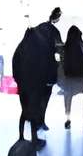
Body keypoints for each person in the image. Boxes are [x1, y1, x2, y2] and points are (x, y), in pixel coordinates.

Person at [10, 14, 61, 143]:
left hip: (24, 85)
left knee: (25, 111)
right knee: (33, 111)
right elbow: (45, 66)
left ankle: (22, 137)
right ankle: (34, 138)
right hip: (34, 85)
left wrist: (19, 82)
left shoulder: (21, 48)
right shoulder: (39, 49)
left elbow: (15, 66)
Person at [57, 23, 83, 133]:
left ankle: (68, 119)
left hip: (69, 81)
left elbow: (61, 63)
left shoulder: (64, 48)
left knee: (67, 99)